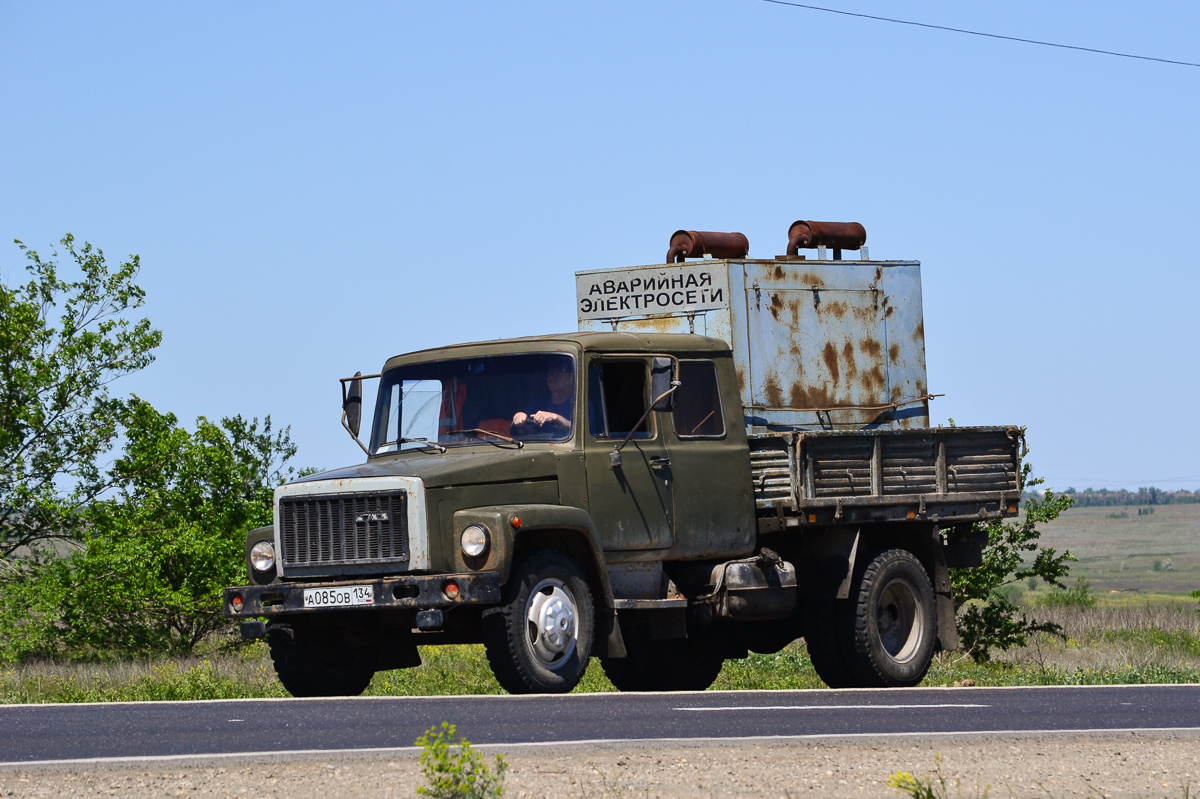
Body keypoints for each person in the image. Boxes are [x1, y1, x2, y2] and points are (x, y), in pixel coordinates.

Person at [512, 361, 574, 433]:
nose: (552, 377)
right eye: (550, 372)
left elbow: (582, 431)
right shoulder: (539, 402)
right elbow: (525, 431)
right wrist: (520, 418)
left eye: (558, 373)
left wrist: (556, 418)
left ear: (571, 379)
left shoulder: (579, 403)